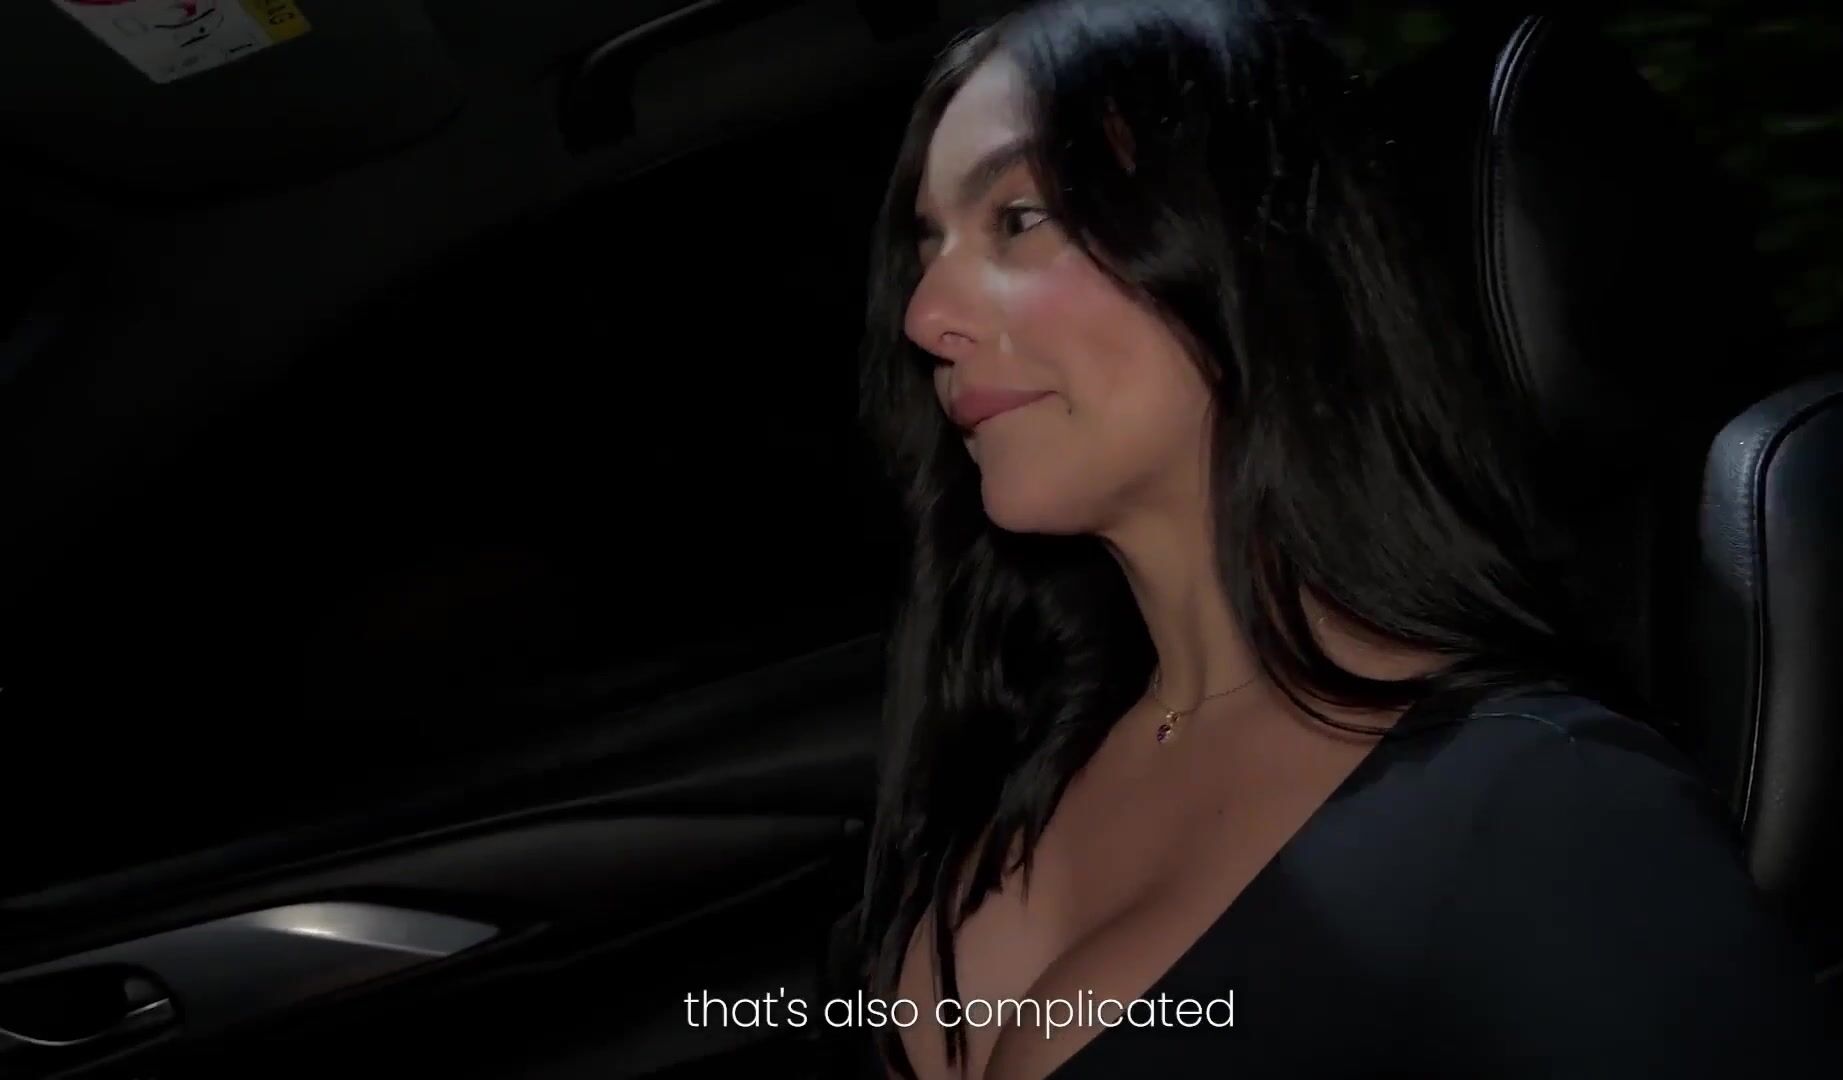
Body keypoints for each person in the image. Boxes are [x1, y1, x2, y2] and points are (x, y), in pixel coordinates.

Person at [844, 0, 1841, 1078]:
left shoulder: (1550, 810)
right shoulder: (1005, 752)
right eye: (927, 243)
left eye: (1019, 217)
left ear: (1248, 243)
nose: (925, 314)